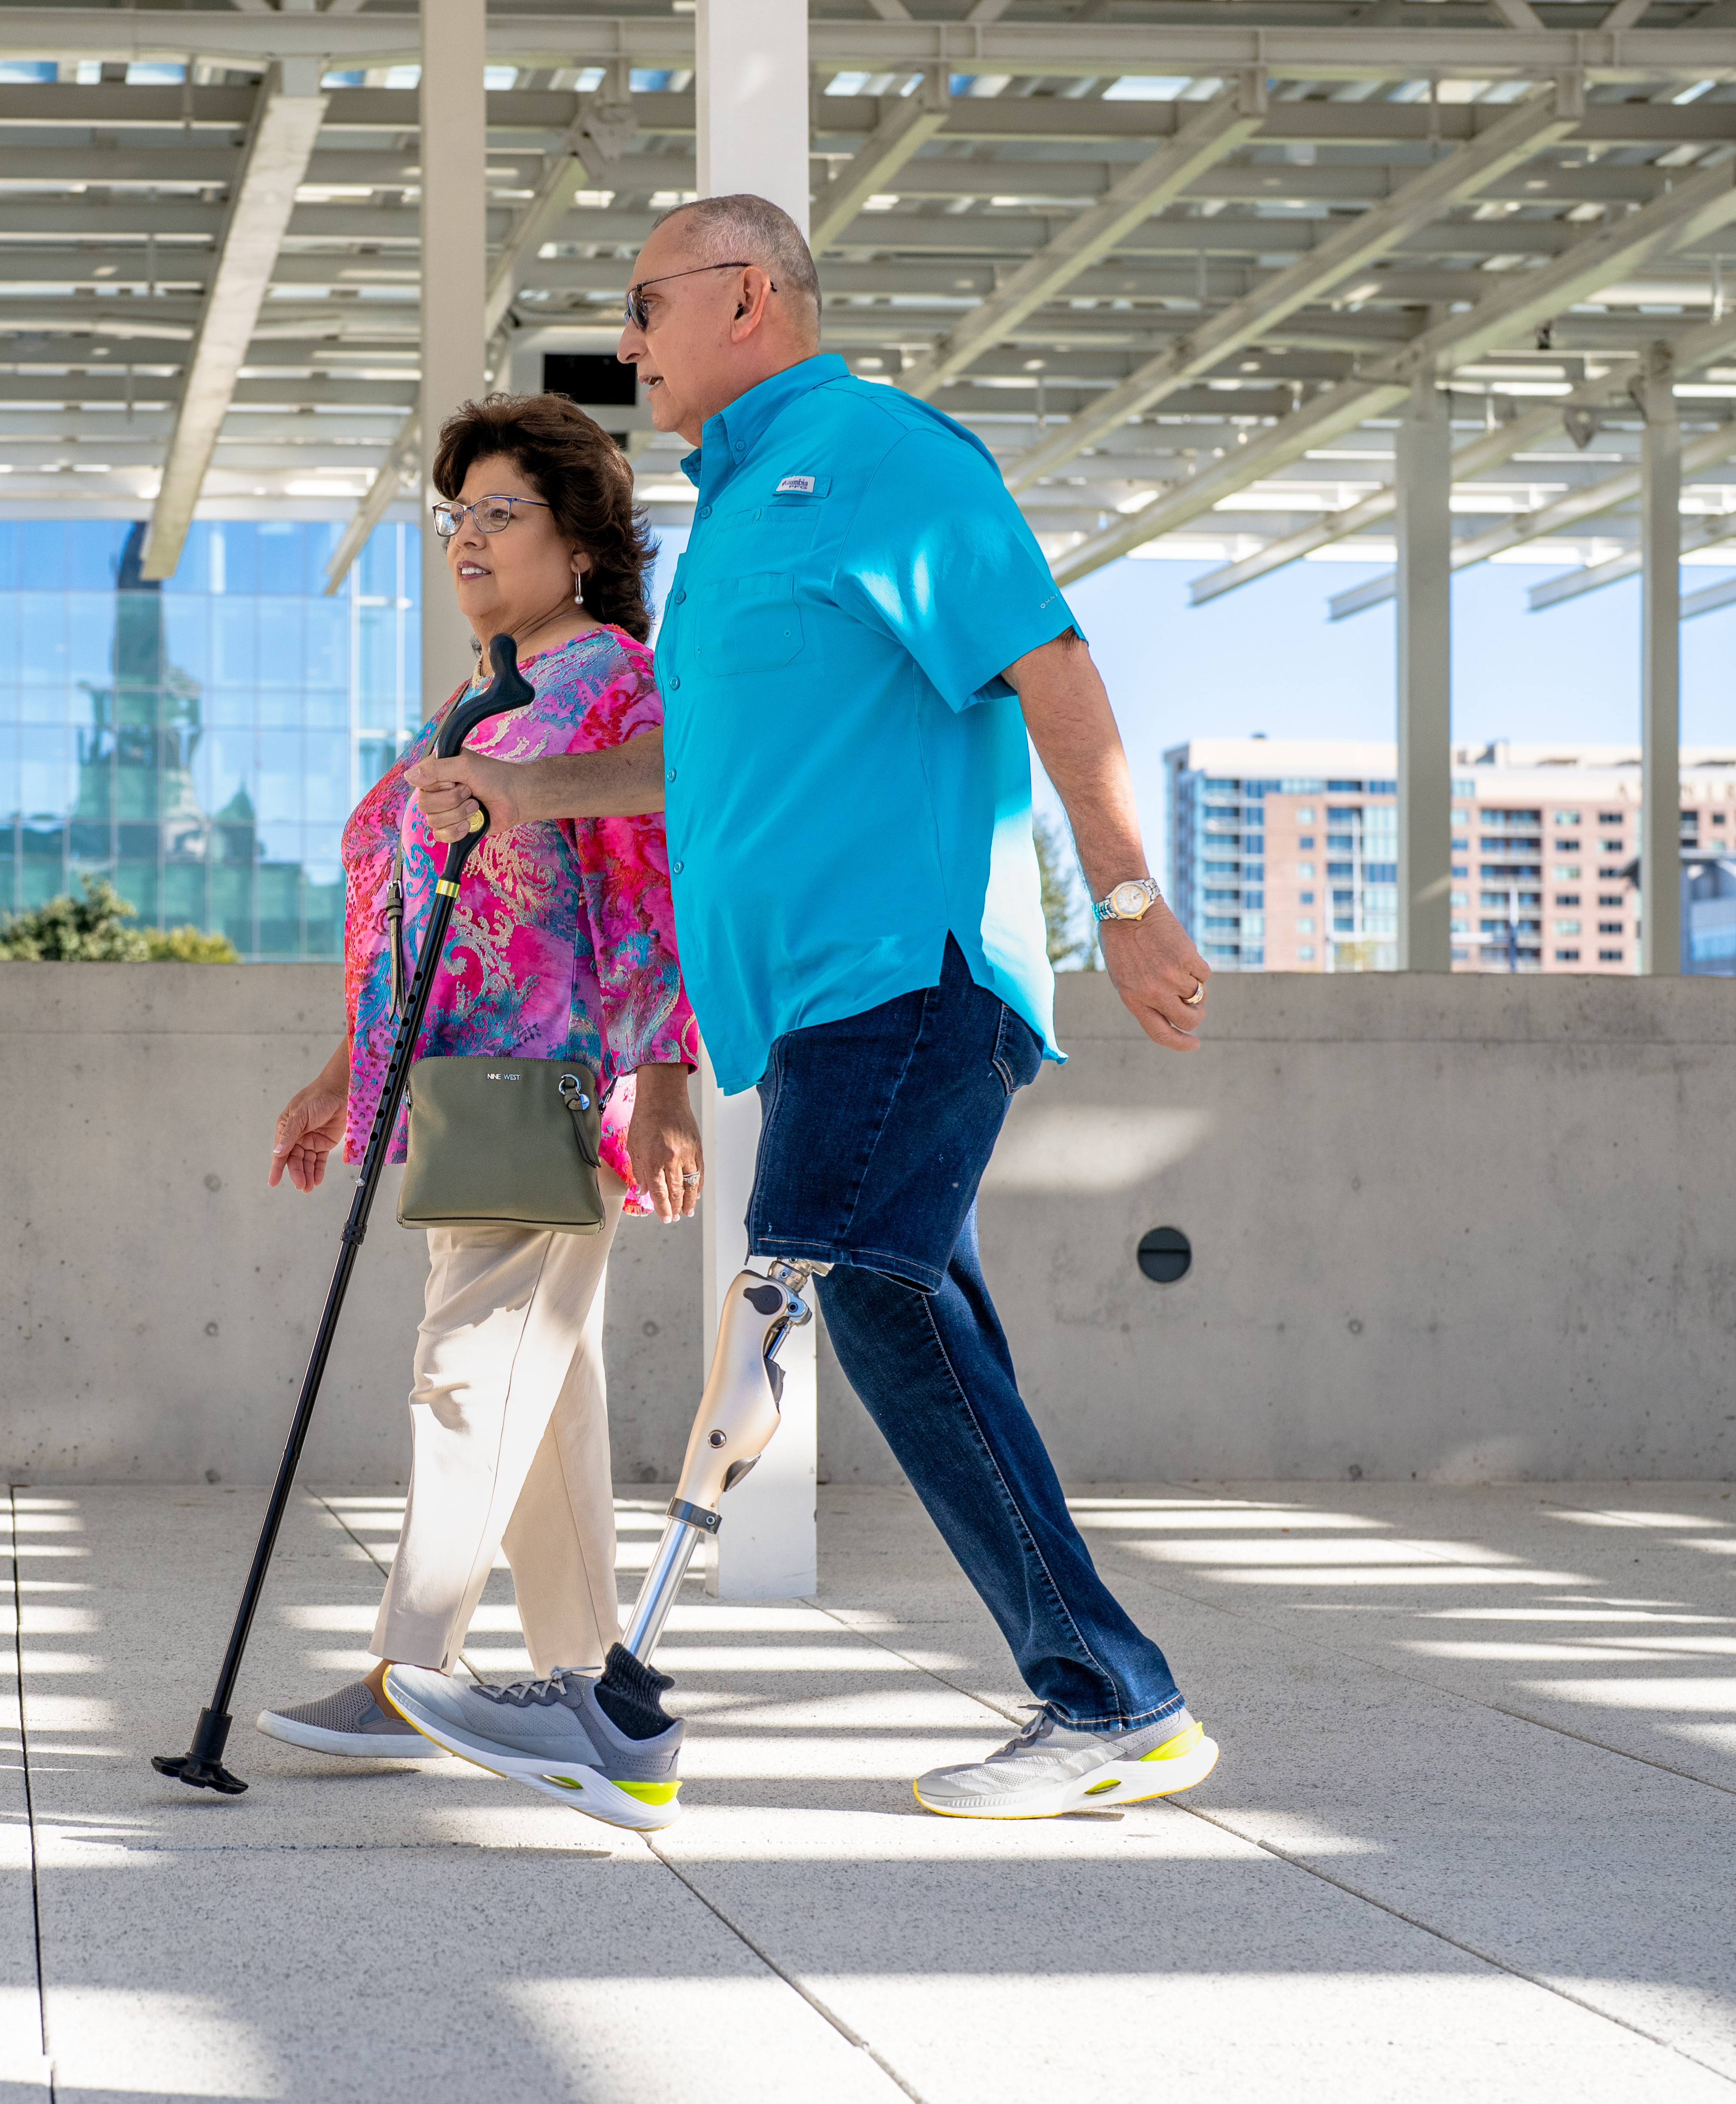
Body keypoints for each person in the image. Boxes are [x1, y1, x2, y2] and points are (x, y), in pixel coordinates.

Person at [386, 195, 1221, 1823]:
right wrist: (521, 786)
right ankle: (1112, 1694)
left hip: (906, 972)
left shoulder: (890, 459)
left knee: (820, 1290)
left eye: (642, 304)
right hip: (814, 1007)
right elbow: (698, 769)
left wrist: (1128, 899)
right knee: (896, 1302)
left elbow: (1051, 666)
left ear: (747, 293)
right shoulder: (735, 524)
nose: (624, 341)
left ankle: (623, 1710)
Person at [256, 393, 702, 1765]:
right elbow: (421, 909)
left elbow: (658, 874)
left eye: (499, 512)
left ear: (580, 542)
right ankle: (581, 1678)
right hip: (462, 1083)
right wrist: (347, 1069)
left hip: (552, 1079)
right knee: (538, 1392)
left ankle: (410, 1672)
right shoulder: (482, 695)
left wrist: (671, 1077)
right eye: (455, 516)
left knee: (468, 1368)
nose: (465, 539)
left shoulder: (612, 676)